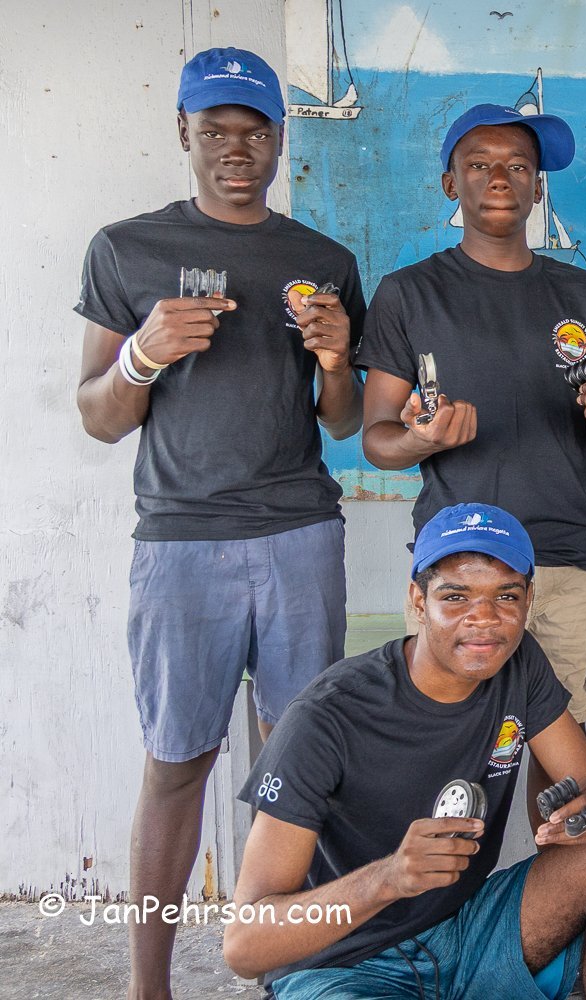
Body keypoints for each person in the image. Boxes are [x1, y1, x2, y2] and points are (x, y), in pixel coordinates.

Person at [73, 46, 364, 999]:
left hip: (298, 533)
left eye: (254, 132)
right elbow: (98, 415)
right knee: (176, 764)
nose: (236, 149)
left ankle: (299, 972)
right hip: (180, 541)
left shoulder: (323, 261)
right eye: (216, 131)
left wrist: (332, 361)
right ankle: (147, 985)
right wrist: (144, 358)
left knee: (303, 767)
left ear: (279, 141)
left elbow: (345, 420)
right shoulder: (126, 248)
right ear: (185, 135)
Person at [223, 502, 586, 999]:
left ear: (528, 599)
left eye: (506, 596)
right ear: (418, 600)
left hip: (463, 928)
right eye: (456, 597)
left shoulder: (519, 662)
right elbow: (245, 946)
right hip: (344, 963)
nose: (485, 620)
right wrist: (390, 878)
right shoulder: (326, 716)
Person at [356, 102, 586, 822]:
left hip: (567, 559)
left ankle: (540, 921)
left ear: (538, 187)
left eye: (519, 166)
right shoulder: (408, 294)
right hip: (460, 568)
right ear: (450, 183)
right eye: (480, 164)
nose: (500, 178)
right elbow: (375, 440)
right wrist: (422, 439)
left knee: (558, 761)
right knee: (452, 752)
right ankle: (440, 920)